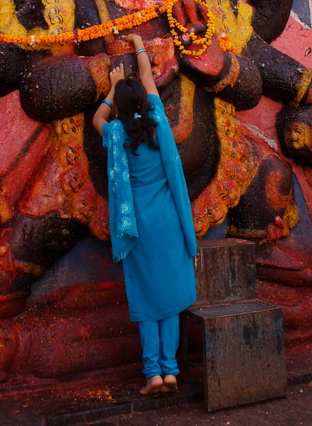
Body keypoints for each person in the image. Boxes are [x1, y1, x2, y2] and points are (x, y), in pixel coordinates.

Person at [92, 33, 197, 395]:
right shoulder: (158, 123)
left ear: (121, 106)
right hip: (168, 220)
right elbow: (149, 78)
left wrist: (112, 88)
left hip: (137, 225)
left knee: (146, 299)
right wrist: (138, 42)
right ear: (145, 101)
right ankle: (170, 371)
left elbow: (96, 119)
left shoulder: (117, 133)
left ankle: (152, 373)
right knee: (169, 300)